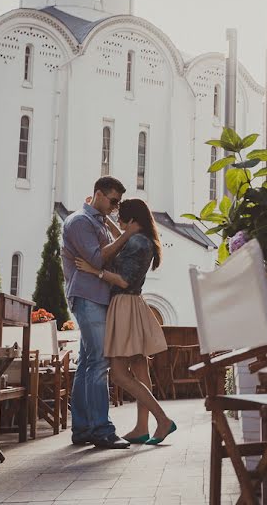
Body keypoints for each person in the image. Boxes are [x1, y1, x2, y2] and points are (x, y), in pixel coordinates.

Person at [74, 198, 176, 445]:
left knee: (119, 374)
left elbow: (123, 280)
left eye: (121, 218)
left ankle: (162, 420)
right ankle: (142, 427)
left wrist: (93, 270)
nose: (117, 222)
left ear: (132, 221)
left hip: (124, 305)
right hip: (133, 305)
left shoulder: (138, 243)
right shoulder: (140, 239)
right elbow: (124, 238)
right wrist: (106, 220)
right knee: (140, 369)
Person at [61, 176, 141, 449]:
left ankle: (82, 428)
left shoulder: (96, 221)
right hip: (87, 296)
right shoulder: (79, 222)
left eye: (118, 203)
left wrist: (111, 225)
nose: (116, 207)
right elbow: (97, 258)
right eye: (113, 201)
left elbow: (110, 256)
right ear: (98, 194)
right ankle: (102, 431)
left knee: (87, 363)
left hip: (96, 297)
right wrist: (128, 234)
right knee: (99, 363)